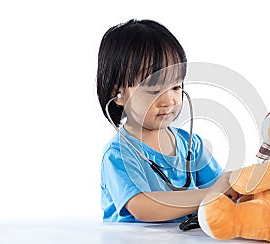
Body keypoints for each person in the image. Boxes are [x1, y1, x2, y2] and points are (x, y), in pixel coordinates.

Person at [97, 19, 239, 223]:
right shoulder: (119, 154)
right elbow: (142, 207)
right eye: (154, 90)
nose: (169, 100)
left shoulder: (191, 145)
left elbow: (224, 188)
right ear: (119, 94)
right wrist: (208, 195)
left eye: (175, 87)